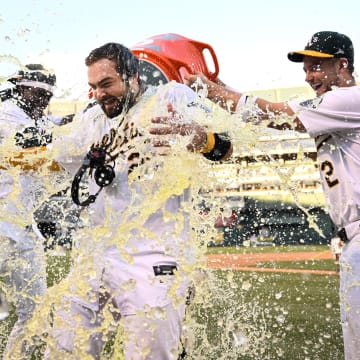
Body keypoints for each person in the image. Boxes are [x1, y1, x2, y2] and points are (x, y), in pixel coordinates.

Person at [37, 42, 232, 359]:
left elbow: (227, 146)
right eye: (93, 87)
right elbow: (54, 159)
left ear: (132, 76)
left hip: (153, 251)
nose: (99, 94)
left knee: (149, 353)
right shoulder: (93, 120)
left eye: (106, 84)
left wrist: (203, 139)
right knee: (65, 347)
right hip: (95, 252)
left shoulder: (172, 98)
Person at [185, 30, 360, 360]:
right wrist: (218, 84)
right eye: (306, 69)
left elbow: (273, 115)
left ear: (343, 65)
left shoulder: (348, 99)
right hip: (350, 239)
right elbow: (260, 111)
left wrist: (207, 90)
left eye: (317, 67)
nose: (309, 76)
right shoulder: (338, 106)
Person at [0, 64, 68, 358]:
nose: (43, 101)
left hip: (20, 229)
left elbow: (58, 124)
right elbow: (34, 138)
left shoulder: (32, 114)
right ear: (21, 88)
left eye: (46, 96)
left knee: (36, 311)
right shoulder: (6, 110)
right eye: (37, 93)